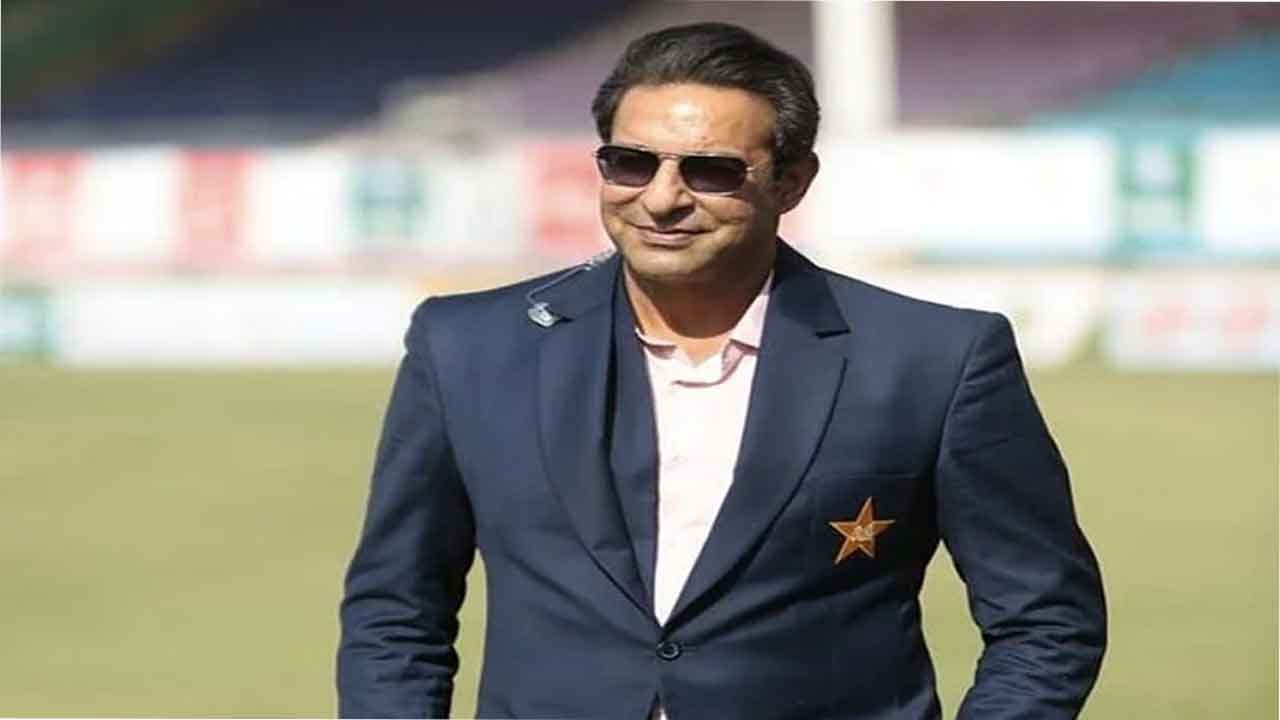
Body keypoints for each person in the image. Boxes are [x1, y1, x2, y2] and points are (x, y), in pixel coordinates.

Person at [337, 22, 1106, 719]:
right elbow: (395, 608)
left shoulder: (936, 359)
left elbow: (1045, 618)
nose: (661, 199)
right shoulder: (466, 346)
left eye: (709, 172)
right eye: (630, 163)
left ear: (792, 182)